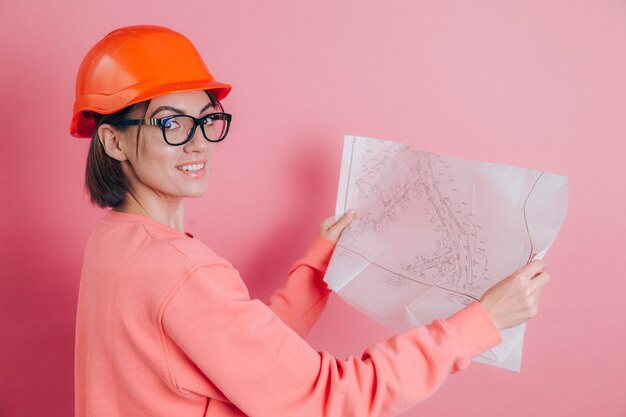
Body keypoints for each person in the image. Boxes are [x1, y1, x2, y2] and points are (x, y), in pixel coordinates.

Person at [71, 25, 550, 417]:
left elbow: (245, 357)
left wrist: (317, 269)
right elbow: (333, 398)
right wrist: (480, 323)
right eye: (171, 124)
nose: (199, 143)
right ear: (114, 142)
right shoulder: (181, 271)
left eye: (205, 119)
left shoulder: (116, 243)